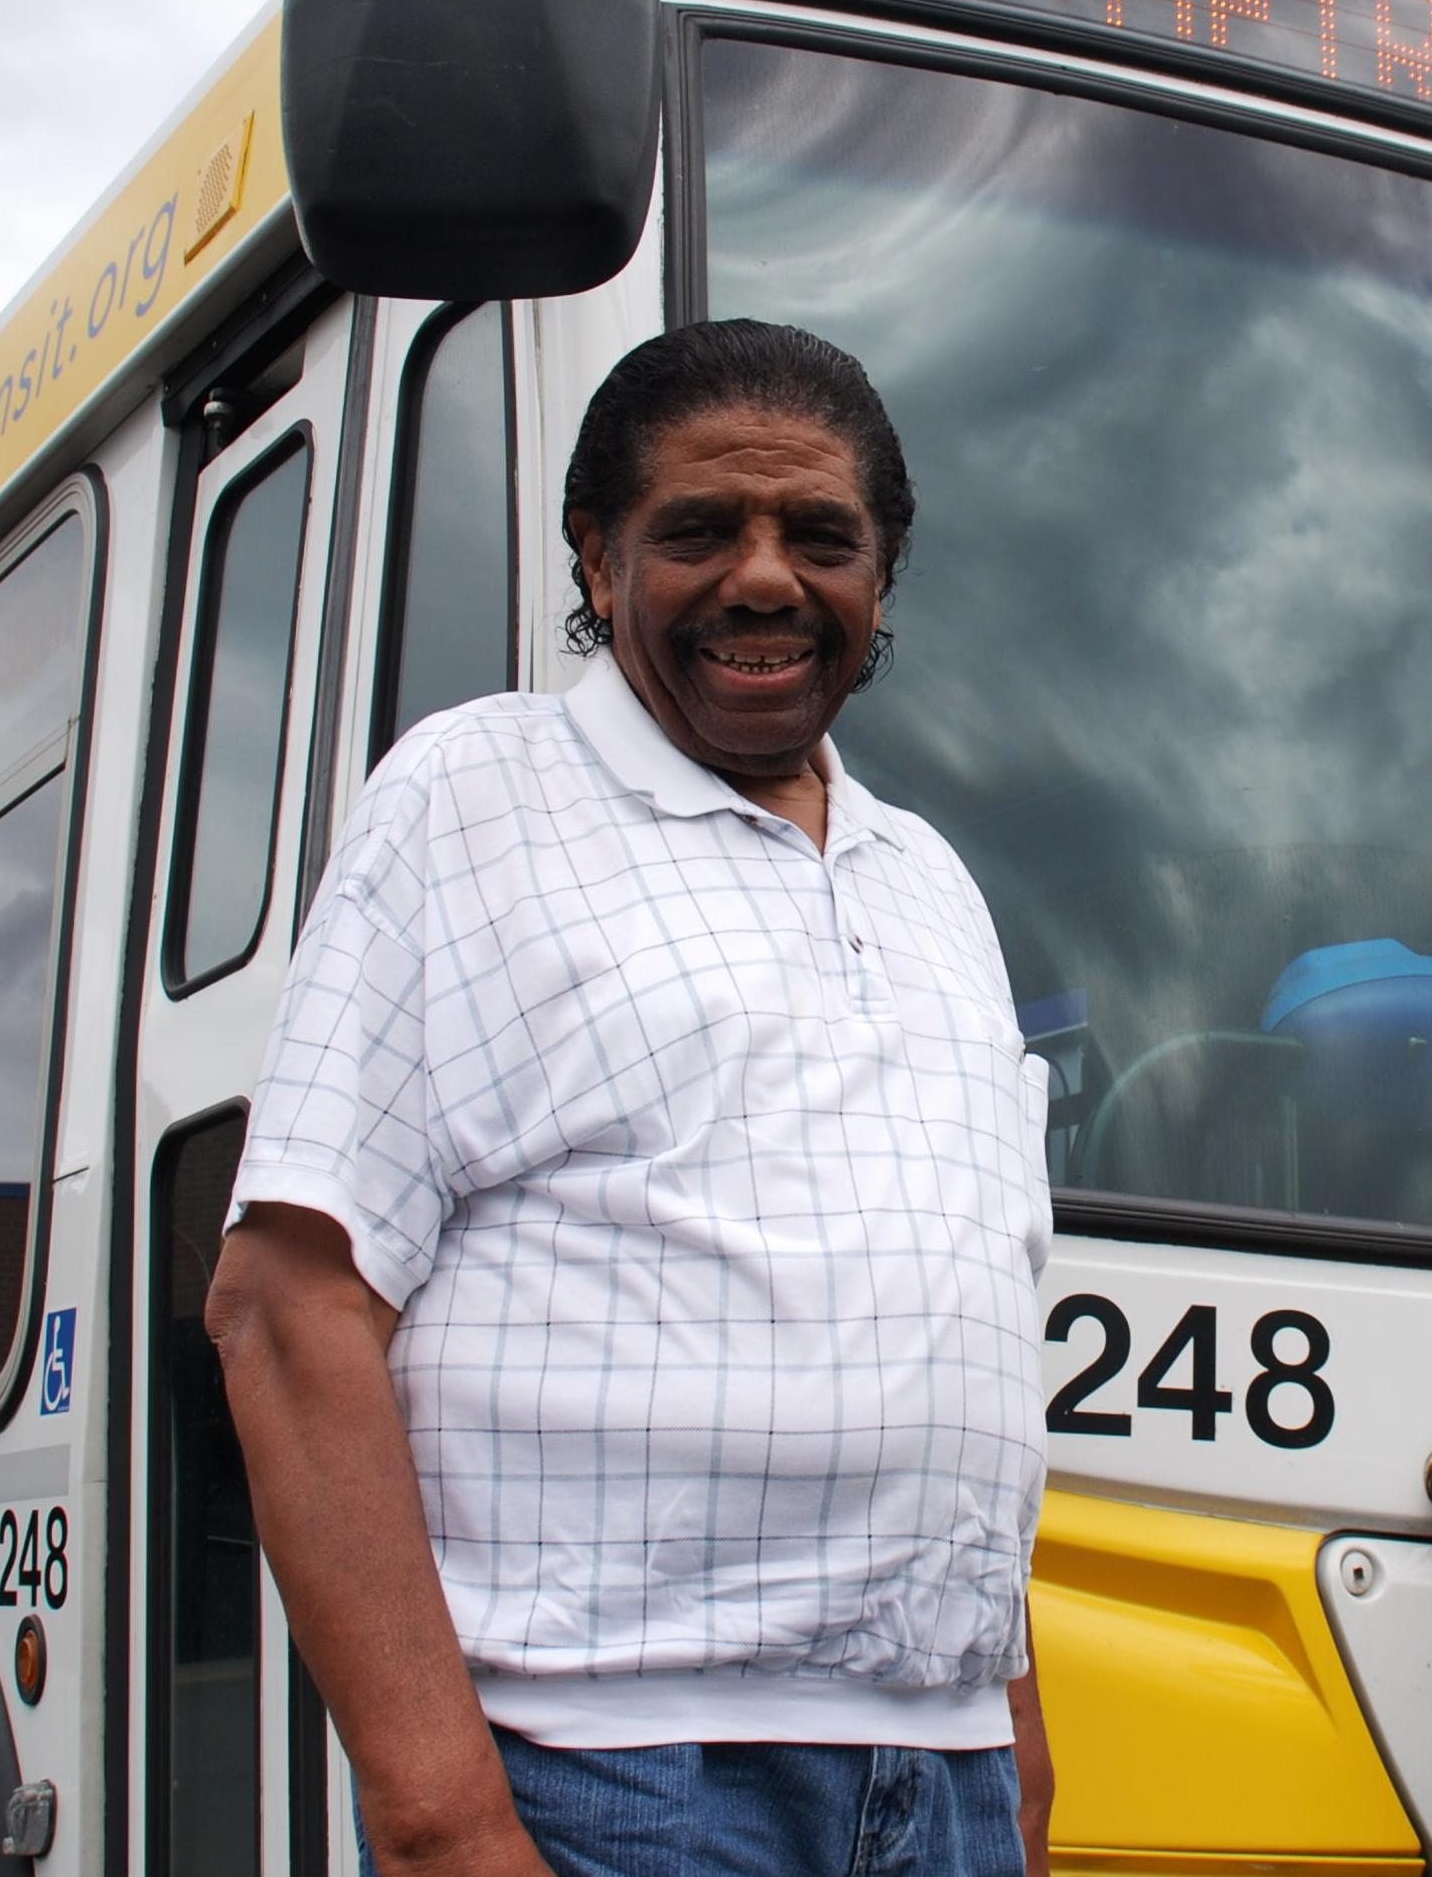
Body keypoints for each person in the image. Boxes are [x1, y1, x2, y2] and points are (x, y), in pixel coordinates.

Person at [207, 319, 1055, 1877]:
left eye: (821, 538)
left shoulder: (928, 881)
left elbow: (964, 1339)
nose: (762, 579)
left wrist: (1015, 1760)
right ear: (596, 562)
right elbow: (288, 1309)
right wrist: (440, 1818)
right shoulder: (476, 796)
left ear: (882, 576)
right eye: (696, 533)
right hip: (619, 1784)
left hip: (941, 1784)